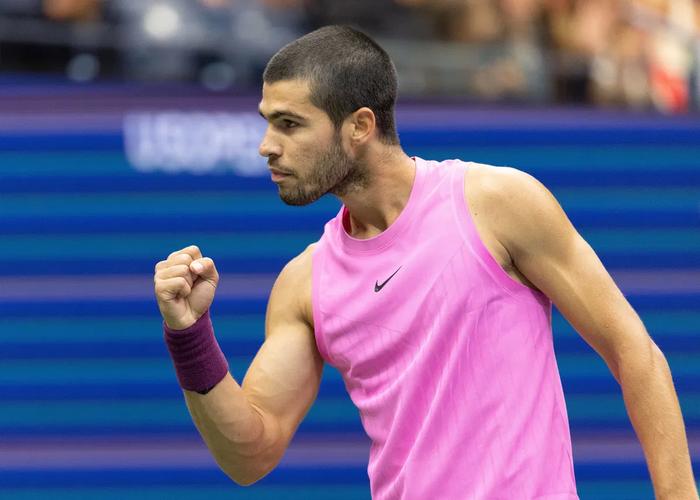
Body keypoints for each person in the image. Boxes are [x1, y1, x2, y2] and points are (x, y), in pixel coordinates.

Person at [153, 25, 698, 499]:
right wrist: (189, 335)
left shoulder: (497, 204)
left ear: (359, 126)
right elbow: (250, 454)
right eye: (268, 122)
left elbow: (633, 350)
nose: (266, 146)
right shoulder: (304, 282)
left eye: (289, 124)